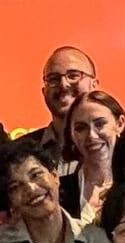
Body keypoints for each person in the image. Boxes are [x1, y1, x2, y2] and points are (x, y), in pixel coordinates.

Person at [34, 46, 98, 176]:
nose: (63, 84)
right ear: (43, 91)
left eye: (73, 75)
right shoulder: (21, 151)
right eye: (53, 79)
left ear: (94, 85)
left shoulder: (118, 146)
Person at [63, 90, 125, 221]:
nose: (91, 135)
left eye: (99, 124)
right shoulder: (61, 190)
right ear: (72, 134)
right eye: (81, 128)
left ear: (120, 124)